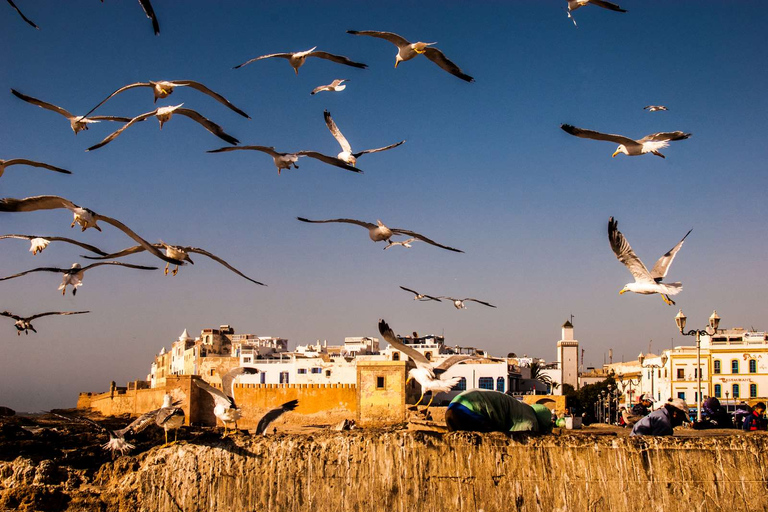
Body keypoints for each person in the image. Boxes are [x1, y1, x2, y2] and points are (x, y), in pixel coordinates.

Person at [445, 389, 553, 434]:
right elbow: (524, 434)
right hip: (472, 410)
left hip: (454, 406)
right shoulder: (530, 419)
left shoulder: (521, 407)